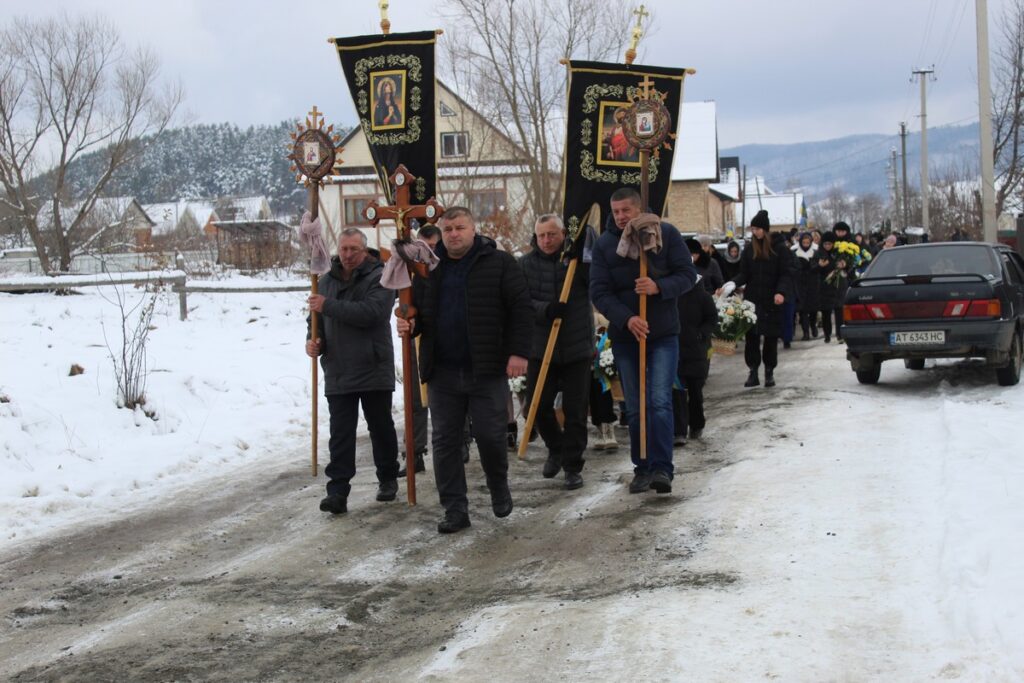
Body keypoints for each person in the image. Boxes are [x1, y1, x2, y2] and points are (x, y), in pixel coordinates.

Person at [397, 207, 532, 534]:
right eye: (448, 229)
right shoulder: (429, 268)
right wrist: (408, 323)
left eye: (460, 227)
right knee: (445, 442)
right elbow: (417, 311)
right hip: (442, 369)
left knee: (489, 435)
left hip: (485, 368)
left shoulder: (500, 263)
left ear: (474, 229)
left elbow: (521, 309)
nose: (454, 234)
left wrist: (518, 352)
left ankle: (498, 486)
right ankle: (455, 508)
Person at [590, 187, 698, 495]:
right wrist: (627, 318)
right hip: (627, 337)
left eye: (627, 210)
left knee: (660, 402)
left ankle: (663, 468)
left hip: (662, 333)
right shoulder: (606, 245)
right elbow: (599, 292)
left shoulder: (665, 235)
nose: (622, 217)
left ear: (639, 209)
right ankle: (643, 467)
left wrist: (658, 287)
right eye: (616, 212)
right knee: (635, 407)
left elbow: (688, 276)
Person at [307, 228, 400, 515]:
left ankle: (387, 477)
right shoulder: (323, 282)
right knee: (341, 433)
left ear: (364, 250)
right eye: (344, 249)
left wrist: (328, 306)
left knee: (380, 426)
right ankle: (337, 491)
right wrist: (313, 342)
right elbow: (315, 321)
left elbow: (371, 313)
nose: (347, 255)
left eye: (354, 250)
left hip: (372, 364)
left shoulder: (381, 277)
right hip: (338, 367)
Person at [519, 214, 593, 490]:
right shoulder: (525, 265)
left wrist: (584, 241)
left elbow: (595, 279)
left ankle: (573, 466)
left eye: (552, 234)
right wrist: (546, 309)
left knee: (575, 411)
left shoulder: (577, 262)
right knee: (537, 406)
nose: (547, 241)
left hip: (576, 347)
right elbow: (521, 301)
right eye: (541, 236)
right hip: (540, 347)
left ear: (563, 233)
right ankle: (556, 447)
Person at [721, 209, 794, 388]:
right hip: (753, 299)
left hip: (772, 299)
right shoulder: (749, 249)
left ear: (765, 229)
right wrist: (731, 283)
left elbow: (786, 274)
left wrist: (781, 292)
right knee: (752, 337)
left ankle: (769, 371)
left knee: (770, 337)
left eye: (757, 229)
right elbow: (744, 273)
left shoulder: (779, 249)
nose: (754, 232)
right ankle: (753, 371)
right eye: (752, 229)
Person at [397, 224, 442, 479]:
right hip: (416, 341)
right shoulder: (410, 271)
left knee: (446, 402)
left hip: (441, 342)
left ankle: (459, 443)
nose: (427, 252)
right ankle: (413, 454)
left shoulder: (444, 269)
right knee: (414, 399)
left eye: (433, 247)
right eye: (422, 247)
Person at [672, 270, 718, 445]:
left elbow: (712, 318)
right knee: (677, 392)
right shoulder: (672, 294)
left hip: (697, 352)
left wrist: (701, 334)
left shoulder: (703, 296)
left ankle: (697, 424)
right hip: (675, 350)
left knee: (695, 392)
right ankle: (679, 431)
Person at [791, 232, 821, 340]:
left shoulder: (816, 251)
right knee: (802, 309)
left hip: (813, 282)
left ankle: (813, 326)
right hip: (800, 283)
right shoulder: (794, 251)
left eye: (808, 242)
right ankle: (806, 332)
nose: (806, 244)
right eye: (804, 242)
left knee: (813, 308)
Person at [817, 231, 844, 343]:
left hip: (837, 286)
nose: (827, 246)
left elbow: (845, 266)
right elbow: (813, 269)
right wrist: (820, 266)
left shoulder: (838, 253)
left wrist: (843, 265)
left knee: (839, 311)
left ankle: (839, 334)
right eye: (825, 244)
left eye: (830, 244)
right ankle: (827, 334)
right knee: (826, 312)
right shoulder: (819, 254)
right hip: (824, 286)